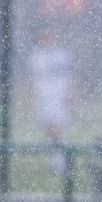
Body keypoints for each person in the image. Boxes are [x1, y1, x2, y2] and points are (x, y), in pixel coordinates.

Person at [28, 28, 76, 176]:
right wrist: (31, 97)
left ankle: (59, 162)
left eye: (50, 36)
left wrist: (71, 94)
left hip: (58, 98)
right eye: (45, 37)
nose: (48, 40)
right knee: (49, 130)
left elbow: (71, 76)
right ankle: (56, 158)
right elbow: (32, 78)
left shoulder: (62, 55)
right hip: (44, 99)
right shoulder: (37, 57)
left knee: (56, 128)